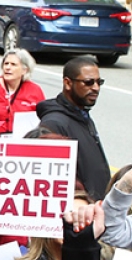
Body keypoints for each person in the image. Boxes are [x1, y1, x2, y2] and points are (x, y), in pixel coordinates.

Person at [35, 56, 111, 198]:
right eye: (88, 82)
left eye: (99, 82)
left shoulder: (82, 115)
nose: (95, 88)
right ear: (68, 83)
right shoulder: (54, 124)